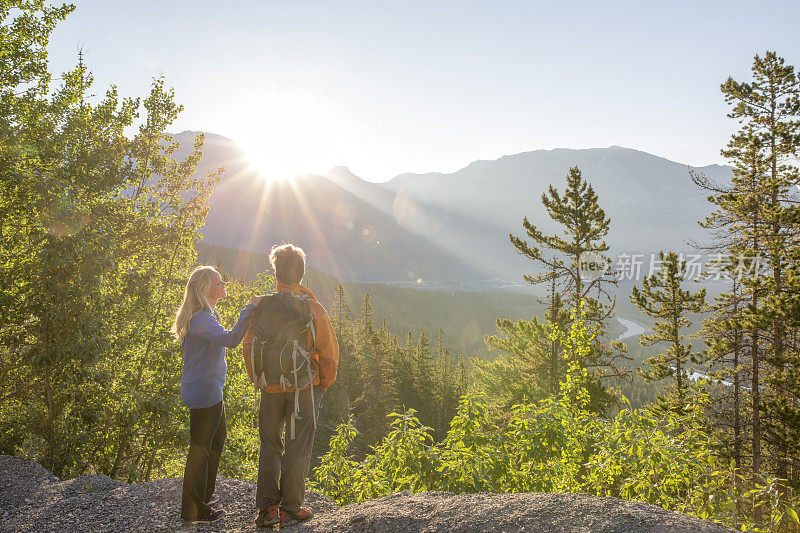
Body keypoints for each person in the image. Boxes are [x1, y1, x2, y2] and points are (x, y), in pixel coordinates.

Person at [243, 244, 339, 528]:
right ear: (302, 272)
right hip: (303, 389)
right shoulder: (312, 309)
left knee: (269, 444)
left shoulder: (259, 305)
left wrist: (256, 377)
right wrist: (322, 383)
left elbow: (249, 344)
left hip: (269, 386)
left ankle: (266, 510)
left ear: (276, 272)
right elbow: (330, 356)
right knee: (299, 447)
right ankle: (291, 508)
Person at [171, 265, 262, 524]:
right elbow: (231, 340)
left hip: (210, 391)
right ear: (205, 288)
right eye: (219, 282)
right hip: (203, 394)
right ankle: (192, 509)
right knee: (200, 450)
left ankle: (203, 498)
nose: (224, 285)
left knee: (217, 440)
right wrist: (250, 308)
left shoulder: (209, 314)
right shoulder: (202, 318)